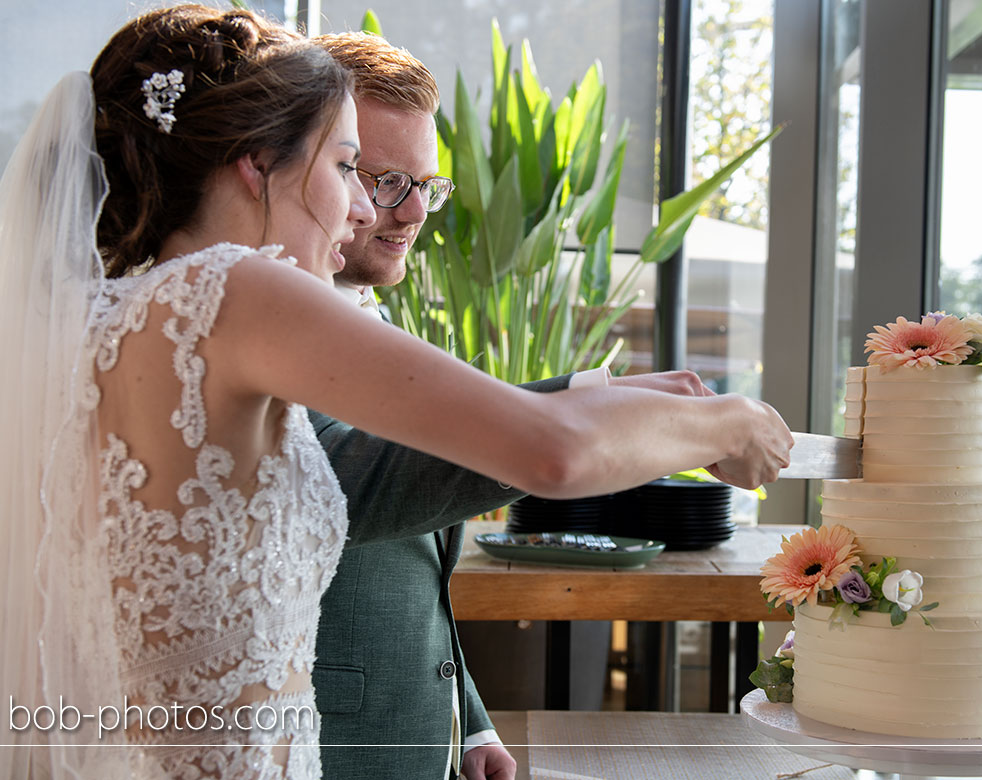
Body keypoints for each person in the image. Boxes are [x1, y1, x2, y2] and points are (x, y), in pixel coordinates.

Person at [0, 5, 793, 779]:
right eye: (346, 166)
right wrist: (730, 420)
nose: (354, 208)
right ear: (256, 163)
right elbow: (556, 452)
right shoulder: (237, 289)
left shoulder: (97, 320)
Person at [308, 32, 713, 780]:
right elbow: (359, 489)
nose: (407, 213)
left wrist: (466, 724)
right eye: (380, 179)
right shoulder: (274, 318)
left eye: (426, 185)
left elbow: (412, 575)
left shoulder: (366, 305)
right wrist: (601, 404)